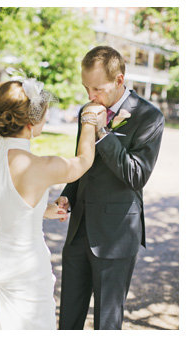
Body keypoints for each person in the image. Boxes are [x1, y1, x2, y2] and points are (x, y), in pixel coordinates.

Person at [0, 78, 106, 329]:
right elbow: (83, 161)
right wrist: (90, 120)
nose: (46, 119)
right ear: (31, 120)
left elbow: (1, 202)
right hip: (26, 274)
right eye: (44, 114)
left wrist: (40, 210)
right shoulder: (39, 166)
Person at [58, 46, 165, 330]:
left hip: (115, 236)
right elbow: (83, 162)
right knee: (67, 318)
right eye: (85, 88)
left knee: (107, 322)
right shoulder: (87, 109)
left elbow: (136, 175)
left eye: (97, 88)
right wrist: (66, 196)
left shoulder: (150, 117)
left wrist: (103, 131)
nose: (90, 96)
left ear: (119, 81)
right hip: (78, 231)